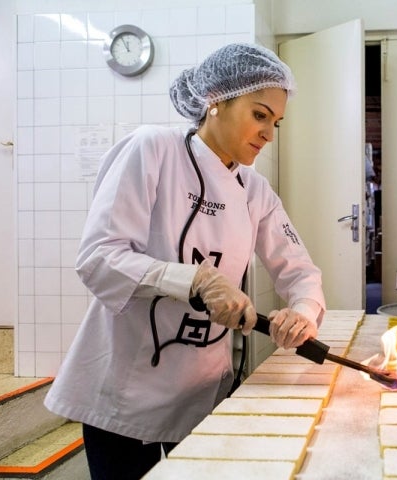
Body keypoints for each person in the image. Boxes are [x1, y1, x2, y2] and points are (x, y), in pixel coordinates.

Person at [44, 43, 326, 480]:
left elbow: (300, 271)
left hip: (201, 391)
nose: (270, 133)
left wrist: (303, 314)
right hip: (126, 389)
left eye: (276, 121)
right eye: (259, 114)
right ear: (215, 99)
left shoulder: (255, 191)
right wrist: (192, 281)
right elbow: (99, 257)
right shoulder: (152, 149)